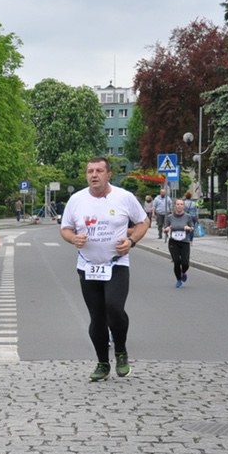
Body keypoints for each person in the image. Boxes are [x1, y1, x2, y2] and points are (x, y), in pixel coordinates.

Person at [60, 156, 149, 381]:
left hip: (116, 263)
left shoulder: (124, 197)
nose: (94, 175)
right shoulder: (76, 200)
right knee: (97, 316)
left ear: (109, 174)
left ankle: (121, 351)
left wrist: (131, 241)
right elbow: (65, 228)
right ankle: (102, 363)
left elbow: (143, 221)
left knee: (114, 307)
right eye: (90, 171)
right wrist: (73, 239)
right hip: (87, 266)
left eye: (99, 171)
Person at [165, 199, 195, 287]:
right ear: (175, 206)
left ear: (184, 206)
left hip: (184, 241)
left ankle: (183, 272)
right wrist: (166, 230)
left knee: (185, 263)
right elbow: (165, 228)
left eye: (181, 204)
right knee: (177, 261)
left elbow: (192, 227)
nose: (179, 206)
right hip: (173, 242)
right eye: (178, 204)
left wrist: (189, 228)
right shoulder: (170, 217)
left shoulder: (188, 216)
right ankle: (178, 280)